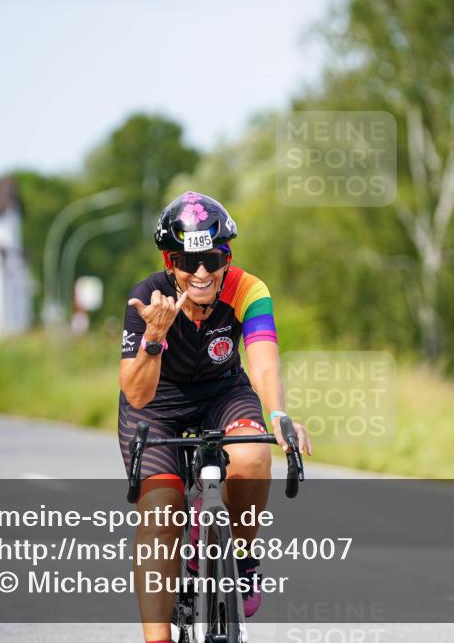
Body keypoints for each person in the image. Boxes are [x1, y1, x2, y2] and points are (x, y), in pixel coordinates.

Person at [118, 191, 312, 643]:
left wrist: (280, 413)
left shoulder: (249, 289)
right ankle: (158, 639)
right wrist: (153, 337)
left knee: (250, 455)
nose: (201, 272)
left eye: (213, 257)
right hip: (157, 405)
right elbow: (137, 392)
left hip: (223, 393)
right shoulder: (149, 297)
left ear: (228, 256)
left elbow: (263, 362)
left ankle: (241, 559)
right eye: (188, 260)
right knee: (161, 510)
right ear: (170, 261)